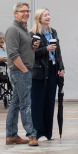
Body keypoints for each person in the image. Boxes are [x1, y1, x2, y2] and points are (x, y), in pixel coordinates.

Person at [3, 1, 37, 146]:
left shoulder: (24, 30)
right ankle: (31, 135)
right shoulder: (13, 30)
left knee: (15, 104)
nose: (26, 13)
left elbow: (23, 51)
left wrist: (33, 47)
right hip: (20, 72)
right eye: (22, 11)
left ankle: (11, 135)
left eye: (27, 11)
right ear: (15, 14)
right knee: (25, 104)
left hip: (23, 71)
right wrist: (24, 70)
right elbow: (12, 53)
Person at [29, 8, 64, 141]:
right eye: (45, 15)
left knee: (50, 102)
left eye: (48, 14)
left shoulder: (53, 32)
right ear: (39, 18)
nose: (48, 17)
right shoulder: (33, 34)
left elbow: (58, 51)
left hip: (52, 69)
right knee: (38, 103)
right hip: (39, 71)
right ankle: (38, 132)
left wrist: (61, 67)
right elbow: (31, 53)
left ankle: (48, 133)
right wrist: (46, 49)